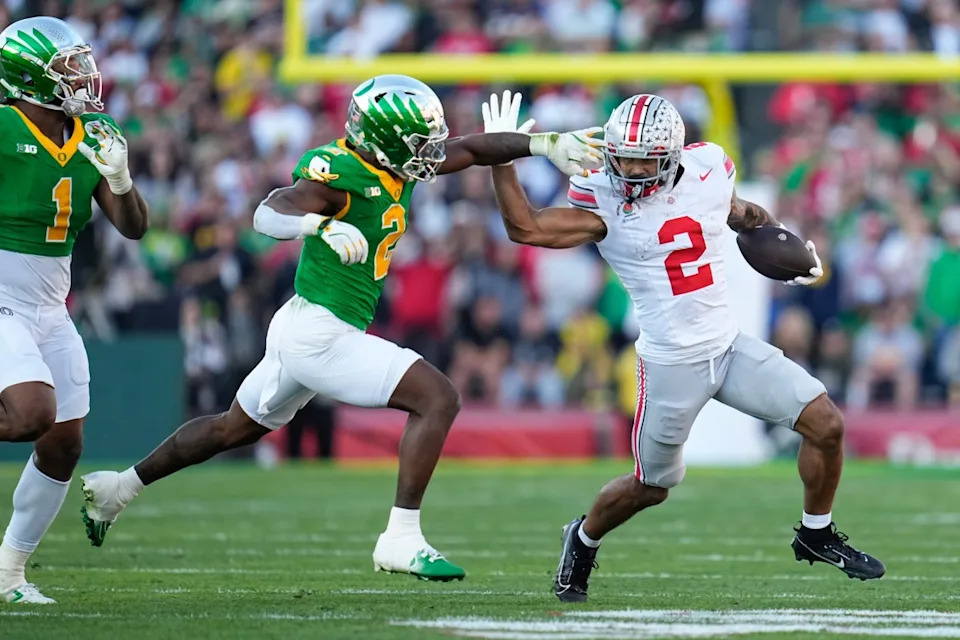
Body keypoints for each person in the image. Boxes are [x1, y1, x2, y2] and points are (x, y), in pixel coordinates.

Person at [79, 76, 597, 582]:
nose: (428, 154)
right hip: (321, 335)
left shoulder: (396, 160)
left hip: (306, 323)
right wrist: (319, 224)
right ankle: (400, 536)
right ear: (382, 140)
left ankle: (118, 489)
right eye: (417, 143)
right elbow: (267, 212)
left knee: (229, 429)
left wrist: (544, 143)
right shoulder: (340, 172)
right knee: (438, 398)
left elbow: (469, 148)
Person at [482, 90, 886, 603]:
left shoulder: (708, 168)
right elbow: (527, 227)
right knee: (650, 487)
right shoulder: (602, 197)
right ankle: (582, 538)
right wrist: (502, 154)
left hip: (729, 347)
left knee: (826, 423)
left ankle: (816, 532)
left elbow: (740, 212)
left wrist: (779, 241)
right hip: (671, 363)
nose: (626, 168)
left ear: (671, 156)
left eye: (640, 159)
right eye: (620, 155)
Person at [0, 17, 149, 604]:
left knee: (63, 442)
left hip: (48, 303)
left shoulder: (96, 130)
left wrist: (121, 177)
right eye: (68, 67)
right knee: (33, 410)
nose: (84, 76)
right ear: (28, 78)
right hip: (1, 293)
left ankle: (9, 572)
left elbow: (133, 228)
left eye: (82, 62)